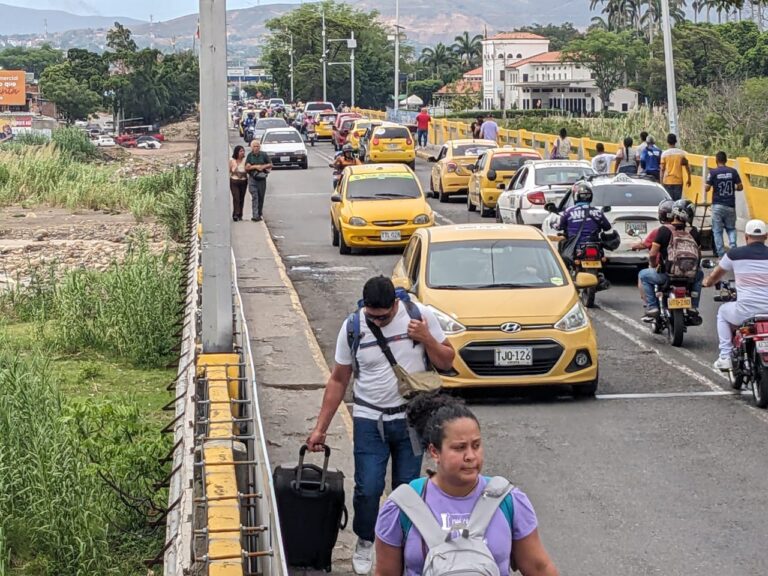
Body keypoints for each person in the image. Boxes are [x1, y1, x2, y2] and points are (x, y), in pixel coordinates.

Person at [306, 276, 455, 575]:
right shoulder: (353, 327)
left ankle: (401, 546)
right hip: (369, 419)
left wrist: (426, 338)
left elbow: (447, 361)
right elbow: (339, 380)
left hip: (410, 420)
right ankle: (365, 539)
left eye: (384, 317)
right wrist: (320, 428)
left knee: (407, 488)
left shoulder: (419, 316)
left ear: (395, 304)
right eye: (372, 316)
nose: (378, 321)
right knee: (368, 487)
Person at [374, 393, 560, 576]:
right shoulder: (403, 507)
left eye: (476, 445)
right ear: (435, 452)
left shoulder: (508, 501)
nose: (471, 456)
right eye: (459, 447)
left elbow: (539, 568)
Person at [703, 219, 768, 371]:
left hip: (745, 311)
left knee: (722, 312)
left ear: (746, 236)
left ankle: (725, 356)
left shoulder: (734, 254)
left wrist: (707, 282)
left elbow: (716, 275)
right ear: (765, 236)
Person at [638, 199, 703, 321]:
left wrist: (653, 265)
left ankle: (652, 307)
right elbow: (699, 255)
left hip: (667, 275)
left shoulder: (664, 230)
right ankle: (693, 306)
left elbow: (652, 254)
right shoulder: (694, 231)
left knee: (643, 275)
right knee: (700, 275)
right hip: (689, 276)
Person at [631, 199, 675, 302]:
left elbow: (649, 250)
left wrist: (653, 264)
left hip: (665, 270)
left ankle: (651, 305)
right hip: (686, 272)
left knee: (642, 275)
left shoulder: (660, 231)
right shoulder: (685, 230)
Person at [706, 151, 744, 257]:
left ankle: (721, 255)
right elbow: (740, 187)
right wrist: (733, 187)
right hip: (730, 205)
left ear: (716, 160)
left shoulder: (713, 172)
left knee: (717, 231)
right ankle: (733, 250)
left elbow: (706, 188)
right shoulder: (733, 172)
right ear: (726, 160)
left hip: (717, 205)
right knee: (731, 228)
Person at [556, 182, 612, 250]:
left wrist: (555, 225)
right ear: (591, 197)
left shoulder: (568, 211)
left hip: (574, 246)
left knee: (562, 247)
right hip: (594, 245)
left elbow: (560, 226)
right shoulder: (597, 212)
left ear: (576, 196)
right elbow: (607, 227)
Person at [245, 140, 273, 222]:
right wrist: (256, 167)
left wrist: (263, 166)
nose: (256, 148)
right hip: (253, 178)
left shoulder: (264, 155)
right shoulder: (250, 156)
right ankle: (255, 215)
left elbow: (270, 164)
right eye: (254, 146)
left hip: (261, 179)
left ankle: (259, 213)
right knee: (255, 196)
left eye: (257, 146)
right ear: (252, 147)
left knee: (261, 197)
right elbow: (247, 167)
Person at [660, 133, 691, 201]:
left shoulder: (664, 154)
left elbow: (662, 169)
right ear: (675, 141)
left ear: (667, 142)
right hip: (678, 181)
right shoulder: (681, 153)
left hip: (667, 181)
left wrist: (661, 182)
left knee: (668, 202)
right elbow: (687, 166)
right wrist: (689, 179)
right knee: (677, 202)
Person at [229, 145, 248, 221]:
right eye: (240, 151)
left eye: (243, 151)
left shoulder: (245, 160)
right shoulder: (232, 160)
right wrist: (234, 172)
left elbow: (247, 169)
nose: (242, 152)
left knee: (241, 198)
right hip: (234, 180)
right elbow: (229, 170)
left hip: (243, 180)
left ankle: (240, 214)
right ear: (237, 152)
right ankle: (235, 214)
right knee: (236, 197)